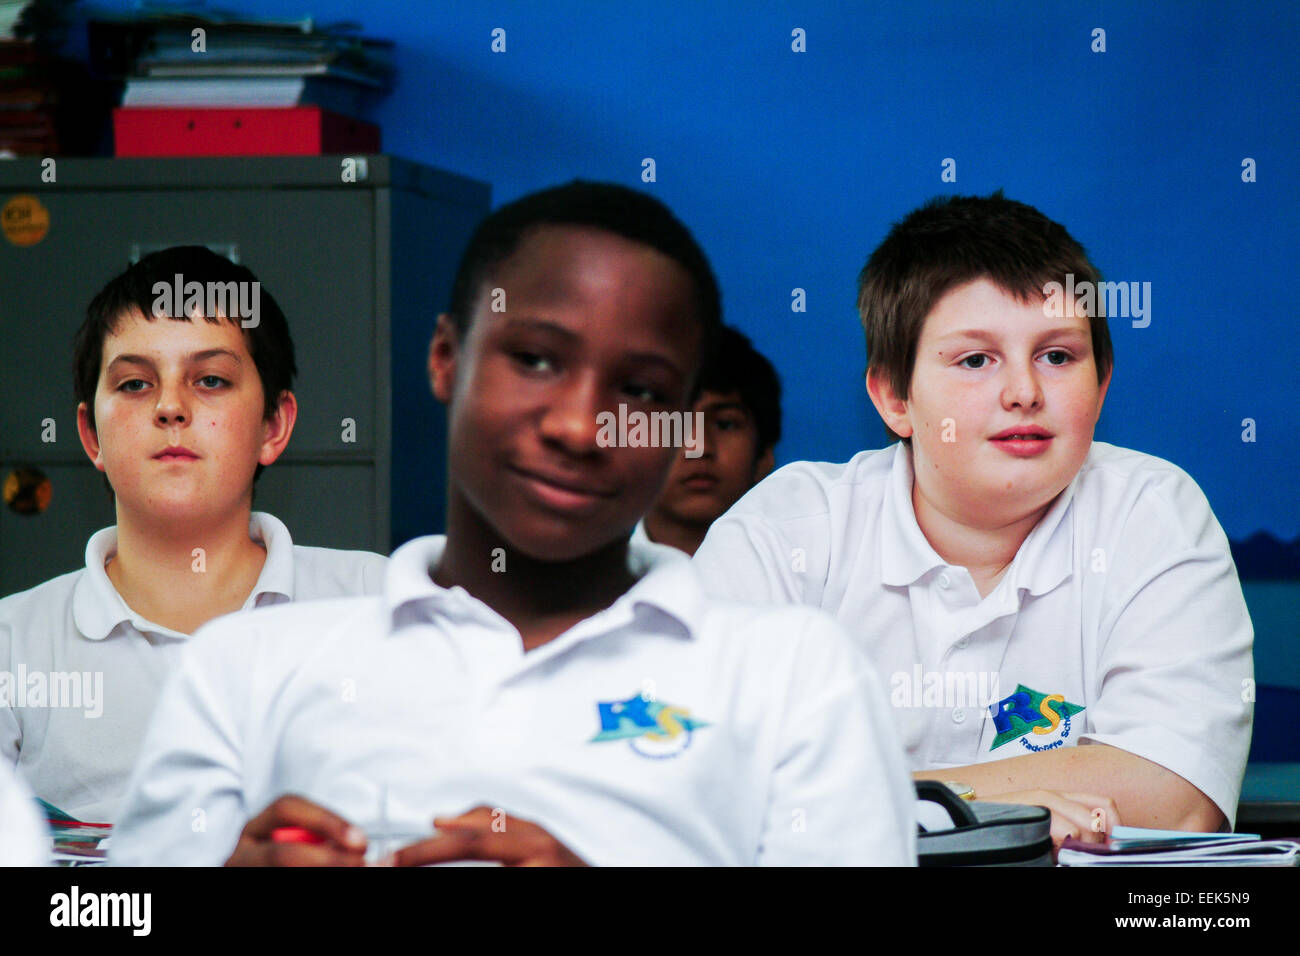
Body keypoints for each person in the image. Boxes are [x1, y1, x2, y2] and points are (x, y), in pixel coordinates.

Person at [109, 183, 915, 867]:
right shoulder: (245, 670)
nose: (578, 424)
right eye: (534, 359)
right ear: (445, 359)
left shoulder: (795, 679)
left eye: (640, 389)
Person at [693, 192, 1253, 848]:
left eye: (1057, 356)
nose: (1024, 392)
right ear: (894, 398)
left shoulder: (1154, 514)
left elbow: (1175, 796)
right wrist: (979, 804)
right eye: (975, 360)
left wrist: (875, 795)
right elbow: (701, 782)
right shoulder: (781, 532)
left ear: (1101, 387)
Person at [0, 246, 386, 825]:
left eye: (210, 379)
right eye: (134, 384)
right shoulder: (15, 644)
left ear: (274, 426)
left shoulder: (379, 605)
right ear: (90, 435)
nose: (171, 407)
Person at [638, 326, 780, 555]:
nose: (699, 446)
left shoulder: (807, 572)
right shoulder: (580, 574)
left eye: (725, 424)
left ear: (764, 454)